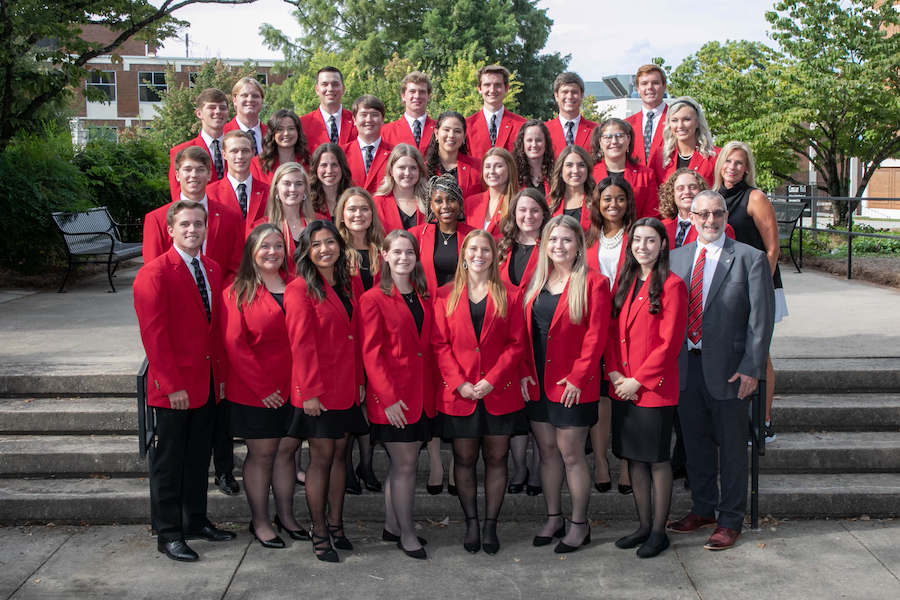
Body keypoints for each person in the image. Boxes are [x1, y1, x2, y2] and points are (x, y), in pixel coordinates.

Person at [667, 190, 774, 551]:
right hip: (686, 368)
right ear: (691, 218)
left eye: (717, 214)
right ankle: (703, 508)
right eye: (702, 215)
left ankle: (730, 519)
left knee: (730, 449)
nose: (710, 221)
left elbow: (761, 322)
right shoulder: (675, 259)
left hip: (731, 372)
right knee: (694, 445)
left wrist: (751, 370)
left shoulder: (750, 259)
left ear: (726, 216)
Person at [133, 199, 236, 562]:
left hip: (206, 382)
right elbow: (154, 336)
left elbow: (216, 330)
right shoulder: (155, 273)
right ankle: (168, 532)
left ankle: (195, 520)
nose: (192, 230)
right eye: (185, 225)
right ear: (171, 230)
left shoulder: (211, 267)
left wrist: (219, 378)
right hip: (174, 388)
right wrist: (171, 384)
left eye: (198, 224)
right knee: (170, 462)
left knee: (198, 458)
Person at [431, 230, 527, 555]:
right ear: (464, 254)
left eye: (485, 249)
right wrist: (459, 382)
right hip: (460, 393)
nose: (479, 255)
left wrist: (493, 380)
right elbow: (439, 344)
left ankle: (490, 524)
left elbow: (517, 345)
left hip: (498, 392)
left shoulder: (511, 295)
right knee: (464, 458)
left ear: (494, 255)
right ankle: (471, 521)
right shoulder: (445, 295)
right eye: (472, 249)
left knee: (497, 458)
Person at [522, 215, 611, 554]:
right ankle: (553, 517)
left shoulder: (594, 283)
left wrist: (578, 377)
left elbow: (596, 338)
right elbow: (524, 335)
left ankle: (579, 523)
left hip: (573, 384)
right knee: (546, 453)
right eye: (553, 240)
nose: (558, 246)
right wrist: (525, 371)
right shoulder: (536, 282)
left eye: (566, 240)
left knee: (571, 454)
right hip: (539, 383)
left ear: (578, 247)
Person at [284, 220, 368, 562]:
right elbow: (300, 345)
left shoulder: (351, 282)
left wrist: (360, 381)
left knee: (340, 457)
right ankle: (319, 533)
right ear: (306, 250)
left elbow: (358, 336)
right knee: (321, 459)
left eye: (330, 242)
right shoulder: (299, 288)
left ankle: (337, 525)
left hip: (346, 386)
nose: (324, 249)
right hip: (317, 390)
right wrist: (310, 393)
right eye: (316, 244)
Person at [222, 224, 308, 549]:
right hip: (253, 390)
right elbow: (235, 345)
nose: (272, 252)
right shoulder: (236, 291)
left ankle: (286, 517)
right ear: (252, 252)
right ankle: (259, 521)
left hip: (294, 387)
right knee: (262, 455)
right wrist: (263, 388)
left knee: (288, 453)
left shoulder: (297, 286)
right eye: (265, 247)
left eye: (277, 246)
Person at [605, 217, 688, 559]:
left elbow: (668, 344)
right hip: (621, 386)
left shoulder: (672, 285)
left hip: (653, 388)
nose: (642, 246)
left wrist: (637, 381)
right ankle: (642, 525)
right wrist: (613, 374)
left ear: (662, 245)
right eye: (637, 240)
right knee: (634, 459)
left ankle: (658, 530)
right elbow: (610, 334)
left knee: (656, 460)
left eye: (650, 240)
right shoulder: (623, 282)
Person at [359, 229, 436, 560]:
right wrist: (387, 399)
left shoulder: (422, 294)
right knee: (404, 466)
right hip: (393, 400)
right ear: (385, 256)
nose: (404, 258)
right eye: (397, 252)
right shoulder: (372, 298)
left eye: (410, 252)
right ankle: (407, 533)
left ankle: (392, 525)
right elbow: (371, 353)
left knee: (399, 466)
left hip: (419, 396)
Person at [714, 141, 784, 442]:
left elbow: (772, 248)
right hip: (729, 288)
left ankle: (764, 421)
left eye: (740, 162)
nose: (733, 167)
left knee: (760, 352)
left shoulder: (755, 198)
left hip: (759, 286)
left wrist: (758, 291)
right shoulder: (713, 198)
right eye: (728, 161)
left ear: (747, 168)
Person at [497, 188, 550, 496]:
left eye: (534, 210)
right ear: (513, 215)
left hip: (540, 338)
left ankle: (539, 469)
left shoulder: (550, 246)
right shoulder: (501, 247)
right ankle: (519, 468)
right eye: (522, 210)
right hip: (506, 338)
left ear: (543, 214)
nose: (528, 216)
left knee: (537, 409)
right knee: (514, 409)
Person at [584, 177, 636, 495]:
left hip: (627, 325)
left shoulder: (636, 237)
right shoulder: (588, 237)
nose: (612, 205)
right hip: (592, 324)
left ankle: (628, 464)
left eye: (619, 199)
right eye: (606, 199)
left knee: (624, 397)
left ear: (628, 202)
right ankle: (601, 461)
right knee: (600, 397)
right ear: (597, 203)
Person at [335, 187, 386, 494]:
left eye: (364, 209)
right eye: (352, 209)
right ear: (342, 213)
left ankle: (366, 464)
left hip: (378, 336)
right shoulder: (335, 249)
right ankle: (348, 468)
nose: (358, 215)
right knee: (353, 399)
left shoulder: (383, 248)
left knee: (371, 400)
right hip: (347, 338)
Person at [145, 145, 244, 284]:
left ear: (209, 175)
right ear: (178, 175)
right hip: (176, 299)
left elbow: (237, 267)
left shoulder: (231, 217)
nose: (194, 175)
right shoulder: (156, 219)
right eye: (187, 169)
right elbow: (152, 272)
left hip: (219, 298)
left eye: (200, 169)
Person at [410, 174, 476, 294]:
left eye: (451, 200)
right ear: (431, 205)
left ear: (460, 203)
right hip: (428, 304)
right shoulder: (416, 235)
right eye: (438, 201)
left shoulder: (473, 236)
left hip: (462, 303)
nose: (445, 206)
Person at [591, 118, 659, 219]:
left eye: (620, 136)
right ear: (600, 142)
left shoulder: (646, 175)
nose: (614, 141)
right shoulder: (589, 174)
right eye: (608, 137)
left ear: (629, 139)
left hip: (635, 232)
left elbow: (652, 215)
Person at [168, 88, 229, 201]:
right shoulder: (181, 151)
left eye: (222, 108)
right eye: (212, 107)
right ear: (199, 113)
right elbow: (177, 196)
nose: (218, 111)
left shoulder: (237, 150)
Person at [207, 130, 269, 237]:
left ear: (253, 152)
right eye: (234, 151)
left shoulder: (268, 192)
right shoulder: (209, 193)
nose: (240, 156)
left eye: (245, 151)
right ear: (224, 154)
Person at [650, 96, 719, 187]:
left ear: (697, 122)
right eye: (675, 120)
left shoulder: (715, 156)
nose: (680, 125)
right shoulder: (659, 156)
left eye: (686, 119)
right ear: (669, 124)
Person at [658, 168, 736, 249]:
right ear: (672, 194)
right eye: (680, 188)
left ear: (702, 191)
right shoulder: (661, 227)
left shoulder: (720, 228)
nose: (687, 192)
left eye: (692, 187)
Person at [261, 162, 316, 275]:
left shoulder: (319, 223)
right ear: (276, 189)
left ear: (305, 189)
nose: (293, 189)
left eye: (298, 184)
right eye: (287, 183)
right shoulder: (261, 227)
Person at [466, 64, 527, 159]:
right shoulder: (467, 126)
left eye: (497, 85)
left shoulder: (522, 125)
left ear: (506, 88)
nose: (492, 90)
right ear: (479, 89)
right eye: (487, 85)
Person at [341, 95, 394, 195]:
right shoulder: (341, 153)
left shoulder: (394, 154)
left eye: (374, 115)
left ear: (382, 120)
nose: (369, 119)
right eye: (363, 115)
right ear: (354, 120)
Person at [424, 110, 483, 199]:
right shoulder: (423, 170)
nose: (451, 135)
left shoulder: (478, 167)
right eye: (446, 130)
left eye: (457, 131)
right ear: (436, 133)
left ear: (464, 136)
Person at [465, 147, 519, 239]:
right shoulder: (471, 203)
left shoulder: (517, 203)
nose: (492, 171)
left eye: (498, 166)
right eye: (487, 167)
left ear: (509, 169)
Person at [300, 66, 358, 151]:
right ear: (317, 90)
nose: (330, 89)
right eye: (324, 84)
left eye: (335, 84)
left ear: (343, 89)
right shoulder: (303, 124)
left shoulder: (357, 121)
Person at [373, 144, 429, 233]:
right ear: (391, 170)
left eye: (413, 168)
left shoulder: (430, 202)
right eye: (401, 168)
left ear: (420, 171)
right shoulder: (377, 203)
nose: (407, 173)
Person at [545, 72, 598, 157]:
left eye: (574, 92)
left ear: (582, 96)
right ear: (556, 96)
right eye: (565, 92)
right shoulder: (544, 131)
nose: (569, 96)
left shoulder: (596, 131)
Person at [382, 71, 436, 155]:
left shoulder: (440, 129)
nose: (417, 96)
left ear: (428, 96)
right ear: (403, 96)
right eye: (412, 91)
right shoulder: (385, 132)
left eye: (422, 92)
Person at [251, 109, 310, 184]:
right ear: (272, 134)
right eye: (280, 129)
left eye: (291, 128)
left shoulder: (308, 162)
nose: (286, 133)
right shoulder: (257, 164)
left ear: (298, 132)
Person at [625, 64, 669, 166]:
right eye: (644, 83)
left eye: (655, 83)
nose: (649, 87)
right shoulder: (627, 124)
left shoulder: (676, 121)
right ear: (638, 89)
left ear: (664, 86)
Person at [548, 145, 595, 233]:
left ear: (587, 170)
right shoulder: (550, 204)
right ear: (561, 170)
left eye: (581, 165)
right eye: (569, 165)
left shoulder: (597, 201)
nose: (575, 170)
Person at [307, 143, 353, 219]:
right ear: (316, 169)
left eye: (334, 165)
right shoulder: (307, 202)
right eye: (324, 165)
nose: (329, 170)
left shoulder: (352, 198)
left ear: (342, 167)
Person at [223, 76, 266, 155]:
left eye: (255, 96)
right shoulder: (223, 134)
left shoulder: (271, 134)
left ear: (262, 101)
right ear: (234, 100)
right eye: (244, 95)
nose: (250, 100)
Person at [513, 119, 555, 193]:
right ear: (522, 143)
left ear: (546, 142)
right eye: (529, 140)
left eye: (538, 140)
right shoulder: (513, 175)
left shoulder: (556, 174)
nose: (534, 145)